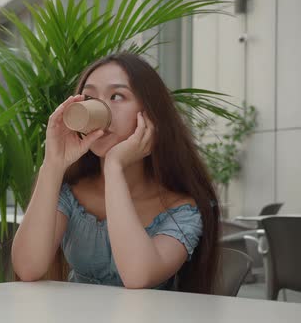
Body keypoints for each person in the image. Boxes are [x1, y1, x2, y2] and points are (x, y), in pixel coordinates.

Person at [12, 53, 220, 293]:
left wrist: (114, 167)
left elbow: (137, 277)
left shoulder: (183, 209)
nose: (99, 109)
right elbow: (27, 268)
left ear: (150, 114)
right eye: (89, 97)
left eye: (117, 96)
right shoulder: (71, 194)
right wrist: (53, 164)